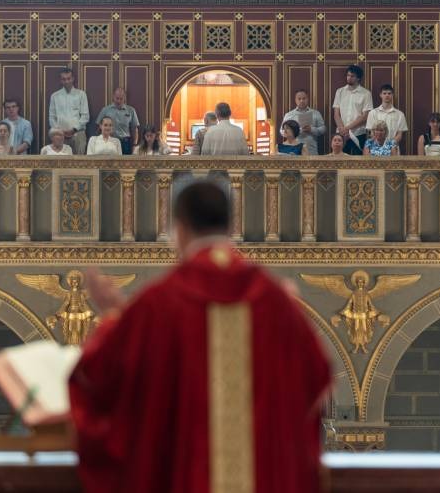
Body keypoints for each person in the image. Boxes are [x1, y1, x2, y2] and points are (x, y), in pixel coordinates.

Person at [69, 181, 332, 493]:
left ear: (179, 229)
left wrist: (114, 317)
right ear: (231, 226)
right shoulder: (275, 301)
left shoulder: (158, 303)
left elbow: (100, 380)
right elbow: (317, 377)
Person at [333, 65, 373, 155]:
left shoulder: (366, 93)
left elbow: (365, 116)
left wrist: (347, 128)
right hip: (341, 134)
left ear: (358, 78)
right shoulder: (340, 91)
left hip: (358, 133)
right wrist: (343, 130)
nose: (349, 78)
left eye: (352, 76)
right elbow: (336, 114)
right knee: (340, 160)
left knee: (358, 161)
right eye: (348, 75)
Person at [49, 67, 89, 155]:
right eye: (64, 79)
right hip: (60, 135)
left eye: (68, 78)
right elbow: (52, 118)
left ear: (73, 79)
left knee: (79, 161)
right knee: (61, 161)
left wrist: (74, 129)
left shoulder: (81, 94)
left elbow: (85, 116)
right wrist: (59, 131)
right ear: (61, 80)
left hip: (78, 134)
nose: (66, 81)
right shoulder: (55, 96)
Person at [95, 88, 140, 155]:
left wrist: (135, 144)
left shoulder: (131, 110)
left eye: (121, 99)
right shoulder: (105, 110)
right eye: (117, 98)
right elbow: (99, 126)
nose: (119, 101)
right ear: (113, 97)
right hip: (110, 140)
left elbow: (135, 129)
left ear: (124, 98)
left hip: (125, 142)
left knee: (125, 161)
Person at [281, 89, 325, 155]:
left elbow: (323, 128)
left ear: (307, 99)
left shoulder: (315, 113)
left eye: (304, 98)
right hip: (293, 150)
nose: (301, 101)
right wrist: (295, 131)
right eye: (299, 99)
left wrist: (312, 129)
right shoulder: (289, 115)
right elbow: (281, 131)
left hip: (311, 149)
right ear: (295, 100)